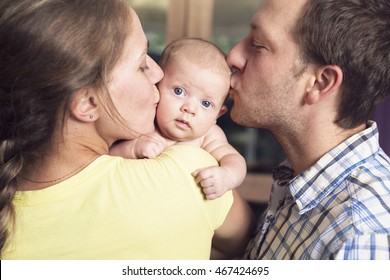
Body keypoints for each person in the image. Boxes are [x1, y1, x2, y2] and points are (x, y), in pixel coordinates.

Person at [0, 0, 254, 260]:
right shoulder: (187, 171)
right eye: (142, 64)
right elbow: (244, 244)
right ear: (88, 104)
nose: (158, 73)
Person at [227, 0, 390, 259]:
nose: (233, 56)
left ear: (320, 82)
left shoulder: (359, 237)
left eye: (258, 45)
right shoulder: (300, 178)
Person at [110, 38, 247, 200]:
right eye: (179, 91)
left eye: (206, 103)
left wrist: (227, 176)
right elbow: (107, 159)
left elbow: (234, 160)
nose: (189, 108)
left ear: (217, 115)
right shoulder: (144, 121)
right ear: (157, 86)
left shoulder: (208, 136)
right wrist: (131, 149)